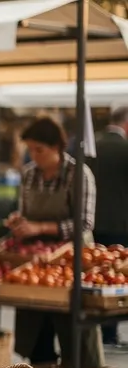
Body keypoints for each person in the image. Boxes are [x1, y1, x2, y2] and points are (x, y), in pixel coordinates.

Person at [6, 116, 104, 368]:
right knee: (37, 334)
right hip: (35, 264)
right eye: (30, 149)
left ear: (57, 147)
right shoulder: (28, 175)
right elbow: (26, 212)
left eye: (39, 149)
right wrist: (20, 223)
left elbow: (84, 223)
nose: (33, 155)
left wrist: (39, 227)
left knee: (74, 337)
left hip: (72, 261)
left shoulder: (79, 174)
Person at [89, 107, 128, 346]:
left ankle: (96, 329)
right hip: (120, 225)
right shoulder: (125, 150)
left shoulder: (92, 147)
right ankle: (110, 331)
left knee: (95, 276)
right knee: (116, 277)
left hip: (92, 223)